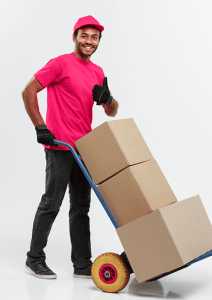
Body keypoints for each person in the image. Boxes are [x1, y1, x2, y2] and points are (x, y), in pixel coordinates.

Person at [22, 15, 118, 280]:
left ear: (99, 41)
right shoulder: (60, 63)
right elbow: (28, 91)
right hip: (60, 146)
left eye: (94, 37)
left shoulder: (98, 72)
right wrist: (40, 126)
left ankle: (82, 265)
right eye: (84, 36)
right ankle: (34, 259)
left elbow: (111, 111)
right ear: (75, 37)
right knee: (51, 203)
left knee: (81, 207)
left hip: (84, 149)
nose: (89, 41)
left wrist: (108, 99)